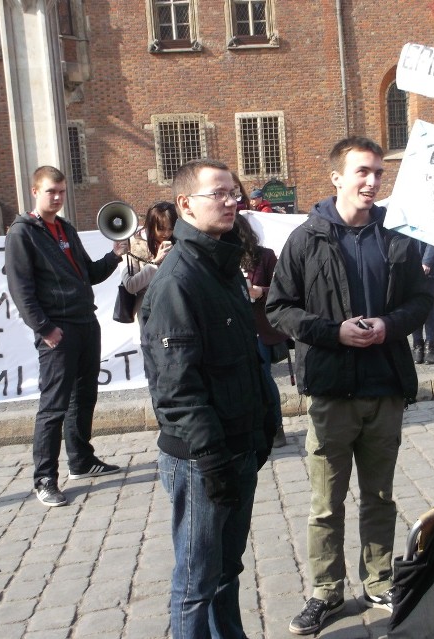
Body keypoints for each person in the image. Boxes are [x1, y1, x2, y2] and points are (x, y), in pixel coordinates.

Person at [267, 136, 432, 635]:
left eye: (378, 173)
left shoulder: (396, 236)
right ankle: (326, 590)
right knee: (326, 502)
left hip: (384, 387)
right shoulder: (306, 238)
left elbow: (422, 300)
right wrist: (331, 332)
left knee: (379, 494)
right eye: (362, 172)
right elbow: (279, 308)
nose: (372, 182)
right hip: (331, 392)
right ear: (336, 176)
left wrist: (390, 325)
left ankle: (379, 580)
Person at [139, 158, 273, 639]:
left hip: (237, 443)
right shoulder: (179, 277)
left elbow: (246, 357)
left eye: (233, 191)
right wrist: (212, 457)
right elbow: (176, 387)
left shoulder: (222, 263)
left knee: (226, 571)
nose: (231, 199)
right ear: (185, 204)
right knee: (195, 581)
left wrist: (264, 423)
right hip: (201, 458)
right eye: (218, 192)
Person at [5, 165, 125, 507]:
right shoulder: (22, 233)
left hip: (85, 323)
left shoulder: (65, 228)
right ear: (35, 192)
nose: (57, 198)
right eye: (50, 192)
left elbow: (88, 274)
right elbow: (20, 288)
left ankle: (81, 461)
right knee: (53, 406)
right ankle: (44, 478)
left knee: (84, 396)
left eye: (61, 192)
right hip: (57, 329)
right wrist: (44, 328)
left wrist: (114, 257)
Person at [233, 212, 289, 448]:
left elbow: (282, 288)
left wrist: (260, 292)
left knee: (263, 378)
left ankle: (275, 426)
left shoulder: (264, 256)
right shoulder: (216, 259)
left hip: (258, 329)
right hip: (231, 329)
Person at [121, 201, 177, 318]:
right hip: (148, 309)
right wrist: (155, 262)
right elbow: (130, 285)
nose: (166, 233)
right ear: (151, 225)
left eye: (170, 228)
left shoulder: (178, 242)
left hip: (175, 305)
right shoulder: (134, 244)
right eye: (161, 228)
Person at [411, 240, 434, 364]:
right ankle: (417, 345)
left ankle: (430, 347)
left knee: (429, 306)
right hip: (410, 265)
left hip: (430, 266)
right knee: (413, 306)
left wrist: (427, 261)